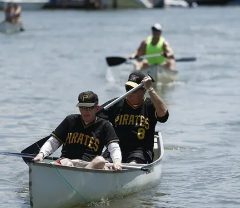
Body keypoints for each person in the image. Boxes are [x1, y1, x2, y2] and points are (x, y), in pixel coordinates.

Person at [34, 91, 122, 171]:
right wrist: (41, 154)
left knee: (101, 160)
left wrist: (117, 161)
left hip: (90, 166)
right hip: (66, 162)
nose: (85, 111)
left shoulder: (105, 125)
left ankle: (81, 177)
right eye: (82, 108)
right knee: (68, 164)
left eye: (89, 108)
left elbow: (113, 147)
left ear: (97, 108)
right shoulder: (70, 120)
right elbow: (54, 141)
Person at [98, 72, 169, 164]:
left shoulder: (150, 105)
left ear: (143, 90)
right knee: (102, 164)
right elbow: (94, 117)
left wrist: (150, 89)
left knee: (133, 164)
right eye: (128, 88)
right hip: (116, 148)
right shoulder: (116, 103)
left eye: (133, 90)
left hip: (140, 150)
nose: (129, 92)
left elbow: (163, 115)